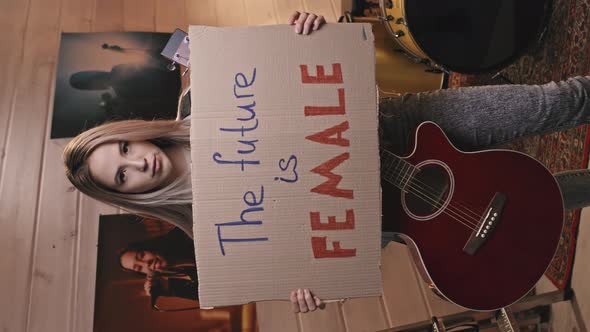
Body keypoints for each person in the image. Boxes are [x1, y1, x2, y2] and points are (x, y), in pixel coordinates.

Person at [64, 11, 590, 313]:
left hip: (411, 127)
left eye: (126, 150)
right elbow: (341, 249)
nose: (138, 165)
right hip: (411, 210)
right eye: (123, 176)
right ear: (125, 196)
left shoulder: (205, 96)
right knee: (534, 203)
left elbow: (298, 66)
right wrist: (312, 285)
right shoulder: (215, 235)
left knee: (552, 104)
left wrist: (306, 34)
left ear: (131, 133)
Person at [119, 227, 198, 301]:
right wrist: (167, 290)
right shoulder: (177, 282)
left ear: (148, 247)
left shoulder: (183, 233)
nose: (146, 264)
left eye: (142, 255)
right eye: (139, 268)